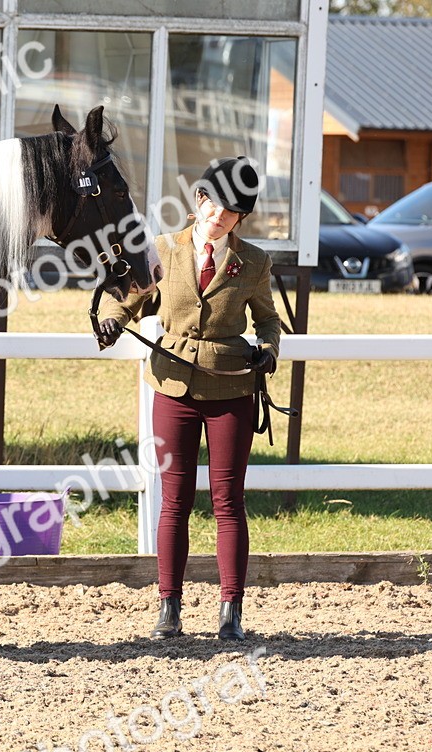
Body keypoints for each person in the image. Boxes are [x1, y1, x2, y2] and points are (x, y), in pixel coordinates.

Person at [96, 156, 281, 642]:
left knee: (228, 500)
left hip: (232, 389)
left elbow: (267, 320)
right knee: (173, 500)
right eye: (215, 207)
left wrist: (268, 350)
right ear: (200, 201)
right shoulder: (163, 251)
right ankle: (168, 606)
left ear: (240, 219)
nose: (219, 218)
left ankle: (230, 610)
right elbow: (128, 294)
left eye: (231, 214)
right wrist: (113, 317)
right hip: (173, 388)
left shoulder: (255, 262)